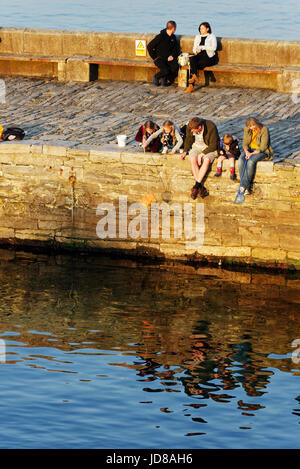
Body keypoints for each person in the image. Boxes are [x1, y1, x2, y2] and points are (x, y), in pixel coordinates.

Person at [181, 117, 219, 199]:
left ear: (200, 127)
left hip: (209, 148)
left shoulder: (210, 126)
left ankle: (196, 186)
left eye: (193, 130)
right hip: (196, 148)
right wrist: (185, 151)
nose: (191, 131)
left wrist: (203, 154)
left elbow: (214, 145)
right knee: (192, 159)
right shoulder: (189, 126)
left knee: (207, 160)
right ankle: (200, 187)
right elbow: (188, 139)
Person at [238, 117, 274, 195]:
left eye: (252, 127)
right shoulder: (247, 129)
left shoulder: (264, 129)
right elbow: (245, 142)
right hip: (250, 150)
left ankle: (243, 186)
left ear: (255, 124)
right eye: (249, 127)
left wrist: (252, 154)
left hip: (262, 151)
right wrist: (246, 151)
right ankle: (246, 188)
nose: (251, 128)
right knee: (241, 159)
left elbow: (263, 147)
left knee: (251, 161)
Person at [185, 22, 217, 94]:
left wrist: (202, 47)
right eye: (200, 28)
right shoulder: (197, 37)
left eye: (202, 28)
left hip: (209, 57)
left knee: (193, 65)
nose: (200, 30)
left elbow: (214, 48)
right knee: (192, 59)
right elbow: (194, 48)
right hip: (200, 55)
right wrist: (196, 50)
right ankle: (194, 77)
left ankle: (191, 85)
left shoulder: (212, 36)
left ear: (207, 29)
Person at [147, 20, 181, 87]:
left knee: (176, 66)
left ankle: (164, 78)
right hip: (159, 58)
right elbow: (149, 46)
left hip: (169, 59)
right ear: (174, 28)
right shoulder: (160, 36)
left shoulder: (173, 38)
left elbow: (176, 50)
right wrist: (155, 57)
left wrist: (172, 56)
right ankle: (156, 77)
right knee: (165, 70)